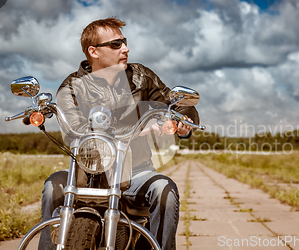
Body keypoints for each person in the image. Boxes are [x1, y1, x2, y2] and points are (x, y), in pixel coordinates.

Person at [39, 17, 200, 250]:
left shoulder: (141, 77)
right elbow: (73, 127)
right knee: (53, 185)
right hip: (87, 173)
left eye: (124, 42)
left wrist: (182, 119)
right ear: (93, 51)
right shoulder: (73, 87)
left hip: (135, 172)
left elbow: (174, 104)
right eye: (116, 44)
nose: (126, 48)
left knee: (164, 190)